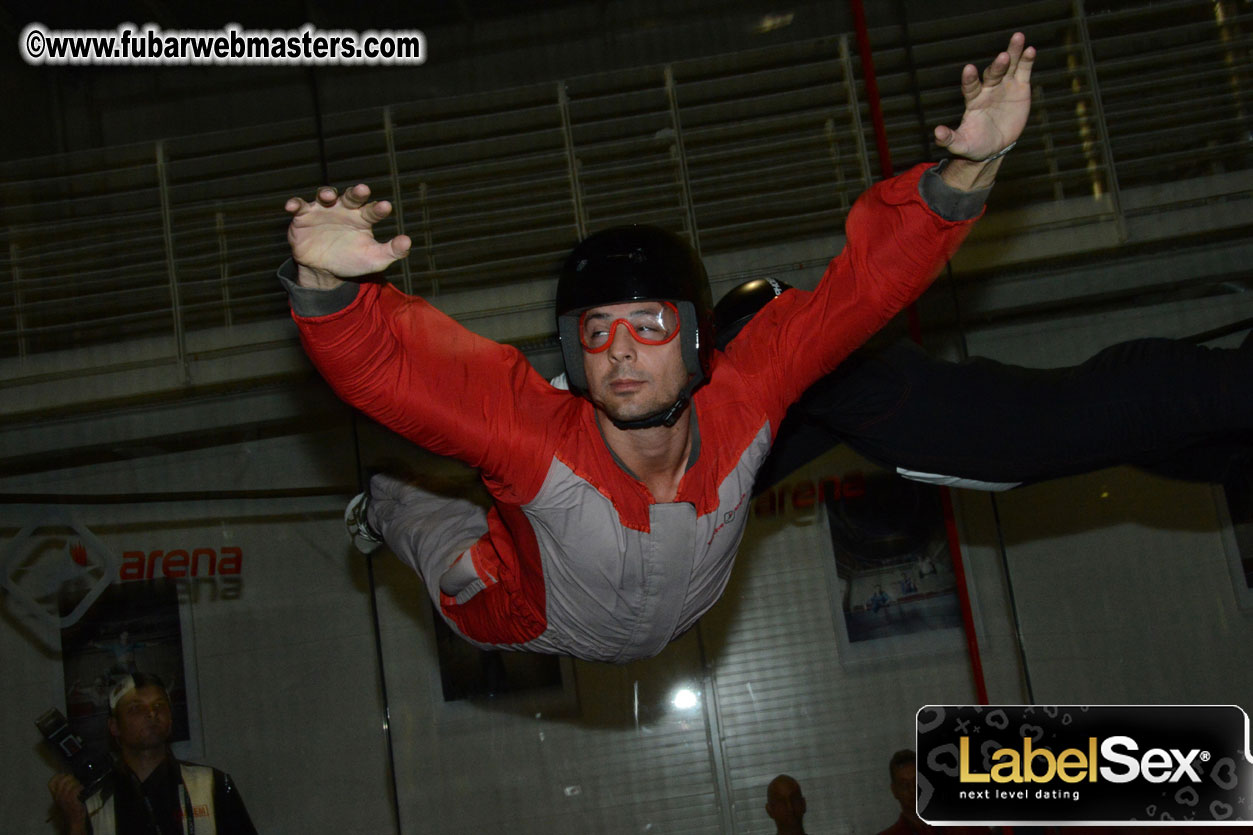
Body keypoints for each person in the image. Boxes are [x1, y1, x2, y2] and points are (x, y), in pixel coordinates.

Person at [280, 33, 1035, 662]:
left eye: (647, 324)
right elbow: (396, 372)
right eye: (595, 332)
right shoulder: (536, 442)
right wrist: (326, 286)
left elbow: (861, 291)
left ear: (698, 335)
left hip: (684, 608)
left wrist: (969, 167)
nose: (617, 351)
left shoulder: (744, 396)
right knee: (437, 534)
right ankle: (381, 502)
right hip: (527, 615)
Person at [715, 278, 1253, 495]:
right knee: (1200, 451)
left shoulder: (840, 384)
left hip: (1098, 409)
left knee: (1189, 411)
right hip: (1077, 427)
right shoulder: (832, 406)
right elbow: (742, 475)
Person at [47, 673, 257, 835]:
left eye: (159, 706)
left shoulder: (211, 784)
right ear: (114, 727)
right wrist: (75, 824)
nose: (151, 713)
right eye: (135, 709)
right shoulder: (92, 804)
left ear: (171, 719)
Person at [877, 749, 988, 835]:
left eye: (917, 781)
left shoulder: (968, 828)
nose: (913, 790)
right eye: (904, 785)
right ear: (894, 791)